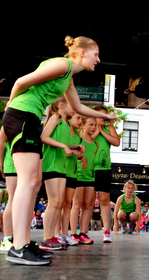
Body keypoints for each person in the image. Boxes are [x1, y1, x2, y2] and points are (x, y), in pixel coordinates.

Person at [1, 35, 117, 265]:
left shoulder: (67, 77)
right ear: (82, 52)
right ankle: (18, 246)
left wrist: (104, 115)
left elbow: (78, 106)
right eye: (96, 54)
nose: (99, 59)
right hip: (22, 115)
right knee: (27, 182)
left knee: (33, 183)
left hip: (30, 117)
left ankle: (23, 244)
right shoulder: (61, 64)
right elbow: (20, 83)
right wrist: (11, 106)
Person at [40, 97, 78, 251]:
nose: (74, 109)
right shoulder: (55, 117)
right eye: (71, 106)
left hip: (61, 167)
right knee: (54, 202)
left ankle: (52, 236)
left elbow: (61, 142)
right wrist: (64, 146)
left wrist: (74, 147)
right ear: (61, 105)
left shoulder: (65, 123)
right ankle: (46, 238)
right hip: (52, 165)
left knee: (58, 203)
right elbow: (44, 137)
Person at [92, 106, 120, 243]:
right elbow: (87, 140)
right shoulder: (88, 126)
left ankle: (107, 232)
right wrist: (96, 129)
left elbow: (116, 142)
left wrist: (102, 131)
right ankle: (81, 232)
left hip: (104, 168)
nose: (103, 118)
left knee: (104, 200)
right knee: (87, 202)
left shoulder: (109, 128)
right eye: (100, 115)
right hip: (89, 169)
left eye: (105, 115)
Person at [69, 116, 99, 245]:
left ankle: (83, 232)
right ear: (83, 125)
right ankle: (73, 233)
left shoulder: (96, 144)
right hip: (78, 176)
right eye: (91, 124)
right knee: (76, 205)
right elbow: (68, 147)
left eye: (95, 125)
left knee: (88, 206)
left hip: (90, 177)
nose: (93, 127)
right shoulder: (78, 139)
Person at [59, 112, 83, 246]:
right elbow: (60, 147)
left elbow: (75, 153)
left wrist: (81, 155)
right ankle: (55, 233)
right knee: (58, 204)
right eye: (78, 118)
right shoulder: (63, 131)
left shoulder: (78, 137)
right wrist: (74, 151)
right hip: (61, 171)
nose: (80, 121)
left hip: (73, 173)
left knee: (68, 203)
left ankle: (64, 233)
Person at [0, 136, 17, 252]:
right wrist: (2, 164)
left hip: (25, 164)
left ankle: (19, 238)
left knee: (22, 202)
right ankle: (6, 238)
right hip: (12, 164)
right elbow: (0, 141)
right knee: (12, 200)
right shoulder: (11, 119)